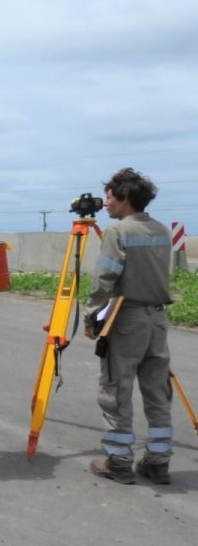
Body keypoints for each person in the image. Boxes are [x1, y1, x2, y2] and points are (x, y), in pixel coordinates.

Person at [83, 168, 173, 485]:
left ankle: (119, 461)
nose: (105, 203)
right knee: (158, 392)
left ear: (124, 199)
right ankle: (158, 461)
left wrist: (92, 317)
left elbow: (104, 280)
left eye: (109, 197)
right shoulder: (161, 230)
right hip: (157, 319)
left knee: (116, 390)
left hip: (127, 319)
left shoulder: (118, 232)